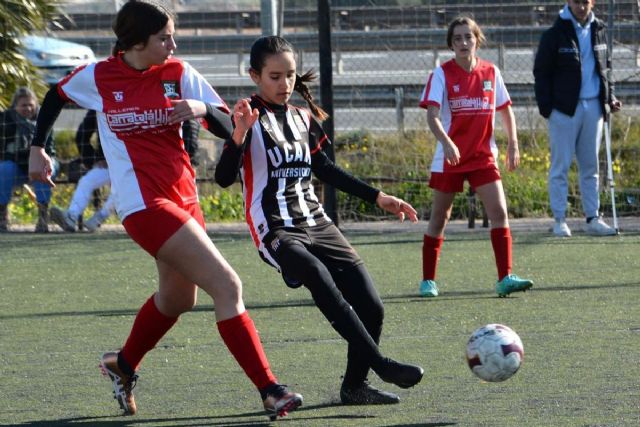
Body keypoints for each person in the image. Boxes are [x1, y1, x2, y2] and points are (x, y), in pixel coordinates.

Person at [28, 1, 302, 420]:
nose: (172, 43)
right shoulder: (100, 76)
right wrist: (38, 149)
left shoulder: (178, 73)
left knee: (177, 299)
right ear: (137, 42)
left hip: (184, 199)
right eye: (164, 37)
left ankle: (122, 364)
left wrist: (201, 109)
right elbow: (55, 95)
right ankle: (270, 390)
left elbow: (230, 126)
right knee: (227, 286)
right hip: (142, 204)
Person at [215, 35, 424, 406]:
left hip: (318, 222)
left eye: (290, 75)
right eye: (275, 76)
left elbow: (324, 168)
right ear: (255, 76)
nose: (285, 84)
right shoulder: (247, 117)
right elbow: (223, 177)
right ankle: (380, 363)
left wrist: (379, 198)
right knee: (315, 273)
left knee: (372, 306)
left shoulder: (302, 117)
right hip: (275, 227)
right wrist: (238, 135)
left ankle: (355, 386)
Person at [417, 16, 534, 298]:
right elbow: (432, 116)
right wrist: (446, 142)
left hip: (483, 156)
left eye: (468, 37)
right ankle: (428, 281)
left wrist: (513, 144)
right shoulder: (441, 74)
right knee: (440, 217)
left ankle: (505, 277)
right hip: (451, 157)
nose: (463, 43)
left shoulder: (491, 72)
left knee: (499, 213)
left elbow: (505, 110)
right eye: (456, 39)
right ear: (451, 44)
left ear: (477, 40)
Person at [533, 0, 622, 237]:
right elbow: (541, 72)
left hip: (594, 107)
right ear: (568, 3)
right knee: (560, 165)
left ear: (591, 3)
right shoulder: (555, 34)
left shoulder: (599, 29)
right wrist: (547, 109)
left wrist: (610, 97)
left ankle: (593, 217)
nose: (581, 7)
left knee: (590, 165)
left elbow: (606, 68)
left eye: (585, 2)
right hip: (563, 110)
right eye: (576, 2)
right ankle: (560, 219)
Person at [50, 110, 201, 232]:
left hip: (142, 165)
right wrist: (94, 160)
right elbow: (82, 136)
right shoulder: (98, 104)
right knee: (86, 181)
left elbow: (190, 136)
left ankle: (99, 218)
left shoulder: (170, 104)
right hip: (110, 163)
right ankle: (71, 216)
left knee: (119, 191)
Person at [0, 87, 58, 232]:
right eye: (23, 105)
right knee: (4, 169)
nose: (28, 108)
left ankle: (43, 217)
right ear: (15, 106)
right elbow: (3, 151)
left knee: (43, 170)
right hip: (16, 164)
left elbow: (49, 149)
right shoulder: (6, 120)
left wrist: (36, 162)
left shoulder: (44, 119)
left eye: (30, 105)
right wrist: (24, 159)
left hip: (42, 161)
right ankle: (2, 216)